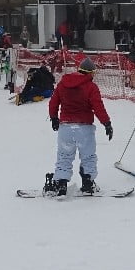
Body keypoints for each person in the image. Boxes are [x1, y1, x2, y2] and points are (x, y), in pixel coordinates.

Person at [47, 57, 112, 196]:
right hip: (84, 128)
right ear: (90, 72)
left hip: (65, 128)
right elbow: (98, 107)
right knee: (88, 156)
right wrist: (107, 123)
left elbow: (53, 102)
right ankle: (88, 184)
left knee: (64, 156)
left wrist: (53, 118)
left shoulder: (63, 83)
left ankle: (61, 184)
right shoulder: (91, 86)